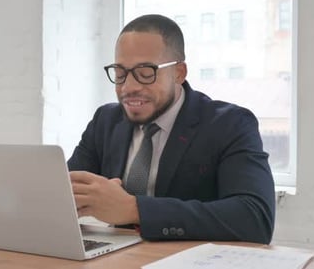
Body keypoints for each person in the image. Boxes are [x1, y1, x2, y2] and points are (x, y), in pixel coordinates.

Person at [67, 14, 275, 244]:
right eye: (120, 73)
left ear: (179, 72)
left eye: (146, 73)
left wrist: (134, 209)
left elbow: (255, 219)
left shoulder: (230, 124)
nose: (129, 87)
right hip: (118, 259)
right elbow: (64, 193)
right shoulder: (105, 121)